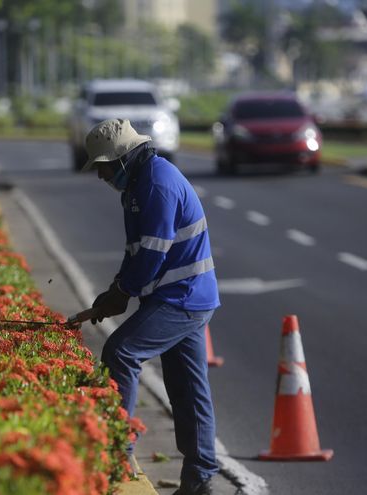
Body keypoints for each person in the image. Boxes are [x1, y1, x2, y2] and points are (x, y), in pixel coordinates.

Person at [80, 119, 220, 495]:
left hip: (183, 298)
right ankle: (200, 478)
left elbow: (152, 257)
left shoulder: (157, 183)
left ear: (123, 159)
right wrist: (115, 290)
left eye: (105, 167)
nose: (102, 176)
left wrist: (121, 293)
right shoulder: (139, 186)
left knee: (120, 352)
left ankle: (119, 453)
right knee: (187, 389)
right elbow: (135, 253)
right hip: (179, 296)